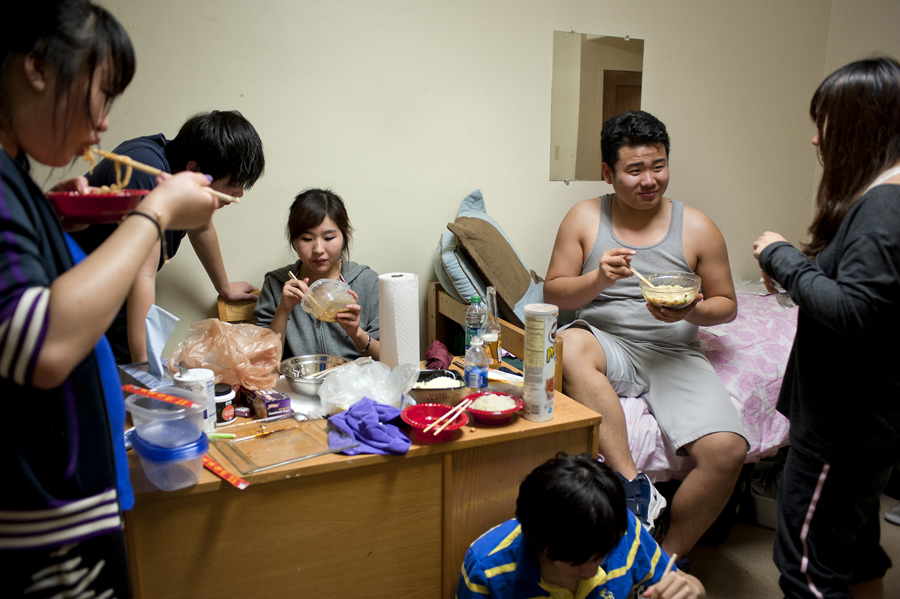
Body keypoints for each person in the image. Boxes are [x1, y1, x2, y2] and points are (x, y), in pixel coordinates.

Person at [0, 1, 219, 595]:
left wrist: (54, 219)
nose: (102, 126)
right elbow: (39, 344)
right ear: (39, 67)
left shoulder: (16, 176)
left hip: (63, 505)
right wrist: (154, 212)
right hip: (39, 528)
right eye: (101, 94)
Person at [543, 110, 748, 558]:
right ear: (608, 172)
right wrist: (598, 279)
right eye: (634, 169)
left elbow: (727, 305)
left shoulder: (697, 227)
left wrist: (690, 311)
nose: (649, 179)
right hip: (607, 343)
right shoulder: (583, 218)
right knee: (568, 343)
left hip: (674, 351)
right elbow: (554, 293)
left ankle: (665, 560)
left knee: (728, 450)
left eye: (658, 166)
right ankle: (635, 487)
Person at [752, 57, 900, 599]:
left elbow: (853, 313)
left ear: (865, 122)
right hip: (867, 423)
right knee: (857, 552)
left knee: (807, 567)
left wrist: (781, 255)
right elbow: (875, 299)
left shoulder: (885, 203)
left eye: (826, 121)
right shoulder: (885, 196)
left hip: (844, 426)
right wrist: (800, 277)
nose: (816, 138)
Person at [70, 109, 266, 364]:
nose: (238, 194)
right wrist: (143, 367)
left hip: (111, 292)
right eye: (233, 184)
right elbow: (143, 274)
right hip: (76, 293)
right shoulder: (147, 174)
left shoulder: (181, 172)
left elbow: (201, 227)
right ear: (194, 169)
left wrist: (224, 287)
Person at [457, 453, 705, 599]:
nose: (592, 570)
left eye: (604, 553)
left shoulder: (622, 528)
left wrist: (691, 590)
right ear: (537, 538)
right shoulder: (486, 567)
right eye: (577, 561)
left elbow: (691, 585)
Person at [255, 188, 380, 360]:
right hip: (297, 383)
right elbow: (264, 359)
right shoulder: (276, 283)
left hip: (355, 383)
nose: (318, 250)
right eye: (307, 239)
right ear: (293, 241)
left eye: (329, 238)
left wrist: (356, 333)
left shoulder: (367, 281)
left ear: (344, 236)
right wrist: (283, 311)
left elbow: (387, 357)